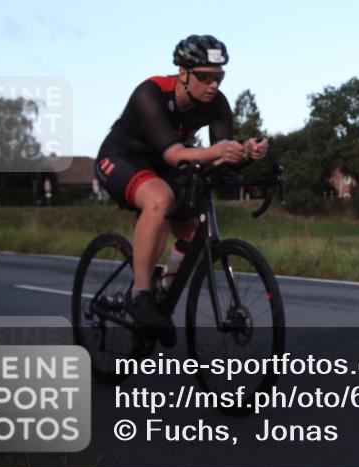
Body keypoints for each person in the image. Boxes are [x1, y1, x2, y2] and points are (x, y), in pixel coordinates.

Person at [94, 35, 268, 344]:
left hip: (163, 165)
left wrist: (243, 152)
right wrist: (218, 151)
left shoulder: (217, 104)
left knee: (193, 227)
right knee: (160, 199)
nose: (213, 85)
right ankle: (141, 295)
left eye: (219, 78)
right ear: (183, 72)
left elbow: (219, 157)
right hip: (121, 158)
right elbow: (175, 155)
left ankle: (162, 295)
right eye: (205, 77)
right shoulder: (151, 93)